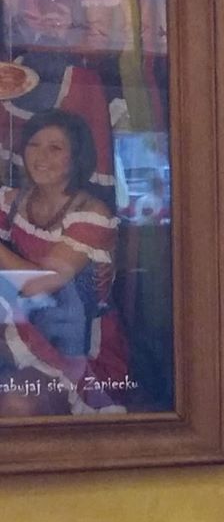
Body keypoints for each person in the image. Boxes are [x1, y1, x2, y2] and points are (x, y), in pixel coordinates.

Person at [0, 0, 126, 193]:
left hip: (76, 86)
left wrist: (65, 35)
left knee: (67, 182)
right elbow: (17, 36)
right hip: (27, 78)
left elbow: (105, 44)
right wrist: (14, 14)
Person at [0, 107, 127, 413]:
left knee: (17, 403)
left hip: (74, 348)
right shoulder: (13, 201)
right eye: (34, 145)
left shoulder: (92, 214)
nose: (40, 156)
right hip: (16, 327)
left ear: (76, 156)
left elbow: (40, 284)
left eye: (55, 148)